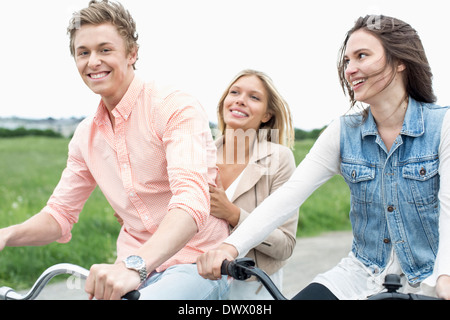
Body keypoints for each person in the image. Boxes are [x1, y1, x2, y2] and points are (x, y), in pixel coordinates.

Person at [197, 15, 450, 300]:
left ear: (400, 60)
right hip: (360, 275)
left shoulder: (443, 125)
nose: (350, 70)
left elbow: (448, 209)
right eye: (346, 62)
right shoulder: (343, 131)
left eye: (361, 56)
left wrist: (445, 277)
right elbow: (287, 197)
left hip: (432, 278)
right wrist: (230, 248)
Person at [0, 0, 230, 300]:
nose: (93, 61)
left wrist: (135, 267)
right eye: (83, 52)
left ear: (132, 53)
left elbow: (190, 202)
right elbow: (59, 215)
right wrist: (7, 235)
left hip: (197, 263)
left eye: (105, 50)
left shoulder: (173, 106)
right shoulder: (85, 136)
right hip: (131, 267)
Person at [210, 70, 298, 299]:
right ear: (224, 103)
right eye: (235, 92)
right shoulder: (200, 156)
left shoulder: (280, 159)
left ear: (267, 115)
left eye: (254, 97)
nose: (240, 99)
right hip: (198, 280)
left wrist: (234, 214)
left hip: (252, 288)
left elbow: (285, 245)